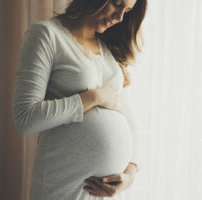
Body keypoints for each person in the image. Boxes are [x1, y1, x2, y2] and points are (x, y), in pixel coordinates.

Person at [11, 0, 147, 199]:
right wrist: (93, 97)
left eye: (127, 11)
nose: (120, 17)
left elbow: (129, 119)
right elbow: (25, 117)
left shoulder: (109, 45)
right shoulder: (47, 35)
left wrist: (130, 174)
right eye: (117, 4)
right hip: (63, 186)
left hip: (104, 193)